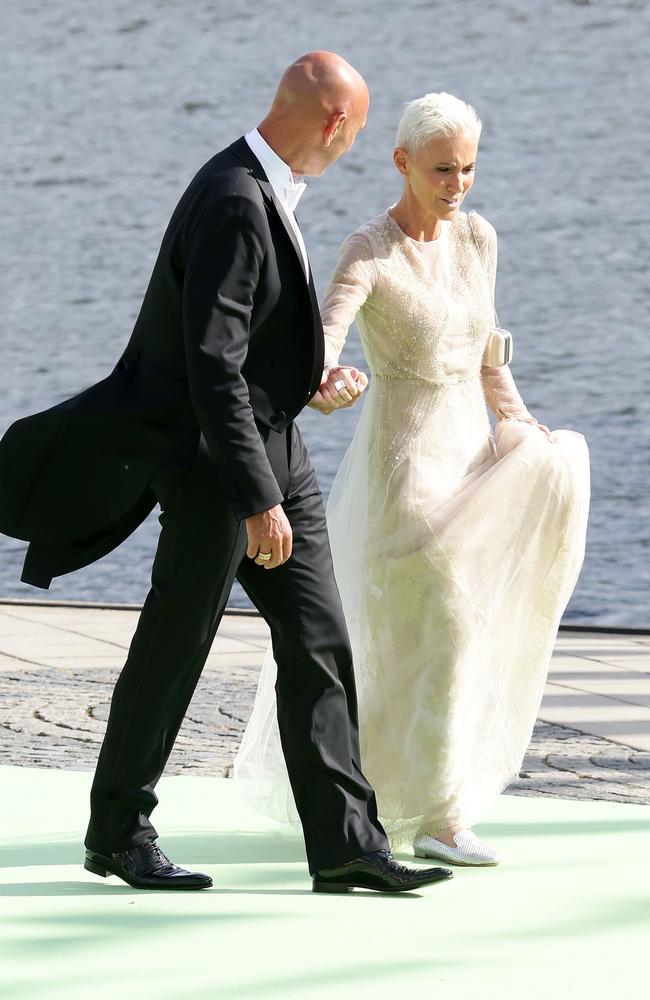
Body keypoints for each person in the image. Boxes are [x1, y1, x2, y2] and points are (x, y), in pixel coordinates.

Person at [0, 57, 454, 894]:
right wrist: (256, 499)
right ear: (332, 125)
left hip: (272, 444)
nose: (352, 146)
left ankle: (348, 841)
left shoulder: (263, 187)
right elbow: (211, 366)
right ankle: (119, 832)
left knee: (318, 638)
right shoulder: (235, 198)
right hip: (216, 464)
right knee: (177, 645)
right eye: (354, 132)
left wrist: (310, 378)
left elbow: (245, 346)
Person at [235, 91, 590, 867]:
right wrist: (326, 377)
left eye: (467, 167)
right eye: (441, 169)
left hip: (471, 453)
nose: (457, 182)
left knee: (450, 633)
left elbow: (487, 353)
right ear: (401, 162)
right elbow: (322, 335)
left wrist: (518, 419)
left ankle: (412, 800)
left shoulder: (478, 238)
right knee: (441, 627)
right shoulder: (368, 249)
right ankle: (433, 813)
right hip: (407, 467)